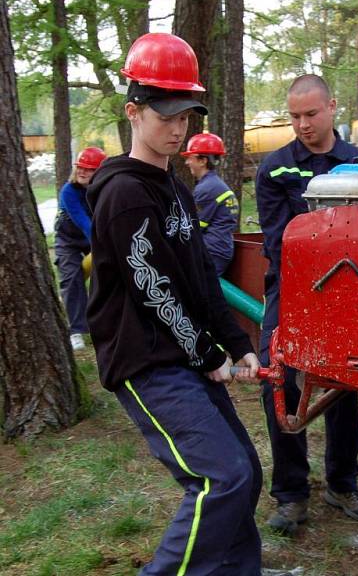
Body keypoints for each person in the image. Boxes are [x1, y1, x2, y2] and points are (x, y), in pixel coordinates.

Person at [86, 33, 263, 575]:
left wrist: (237, 343)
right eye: (166, 114)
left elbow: (199, 280)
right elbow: (154, 289)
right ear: (133, 111)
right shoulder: (123, 193)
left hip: (184, 357)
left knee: (245, 474)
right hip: (146, 363)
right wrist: (210, 355)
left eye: (186, 114)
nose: (178, 127)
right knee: (219, 478)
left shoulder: (177, 189)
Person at [256, 74, 358, 535]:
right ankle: (290, 493)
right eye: (294, 116)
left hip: (350, 291)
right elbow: (277, 241)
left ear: (331, 107)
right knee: (277, 380)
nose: (302, 124)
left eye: (310, 114)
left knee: (344, 380)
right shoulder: (276, 168)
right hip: (288, 288)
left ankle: (343, 483)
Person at [55, 146, 106, 350]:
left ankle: (104, 321)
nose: (83, 171)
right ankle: (76, 330)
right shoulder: (69, 191)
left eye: (89, 168)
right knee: (71, 275)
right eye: (80, 167)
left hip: (92, 238)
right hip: (68, 240)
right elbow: (84, 223)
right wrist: (102, 246)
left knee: (106, 274)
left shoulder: (102, 191)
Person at [181, 132, 239, 275]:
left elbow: (195, 227)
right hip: (218, 248)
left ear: (203, 161)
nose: (187, 162)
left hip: (212, 251)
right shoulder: (214, 185)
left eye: (190, 158)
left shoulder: (207, 189)